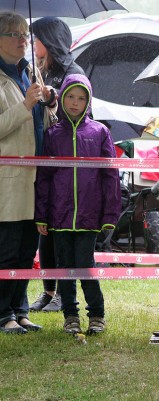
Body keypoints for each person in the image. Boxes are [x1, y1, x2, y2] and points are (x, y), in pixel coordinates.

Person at [34, 74, 120, 334]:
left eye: (81, 98)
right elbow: (44, 176)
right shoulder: (52, 135)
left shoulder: (100, 132)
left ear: (88, 101)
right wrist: (42, 216)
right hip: (59, 216)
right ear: (61, 98)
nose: (75, 102)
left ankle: (97, 314)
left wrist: (109, 214)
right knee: (64, 268)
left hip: (89, 215)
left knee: (84, 265)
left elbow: (110, 176)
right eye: (70, 96)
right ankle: (70, 316)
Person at [0, 11, 53, 334]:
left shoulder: (29, 71)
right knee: (6, 249)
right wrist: (25, 106)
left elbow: (43, 122)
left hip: (36, 177)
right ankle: (2, 313)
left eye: (25, 34)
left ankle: (20, 310)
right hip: (8, 181)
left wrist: (49, 101)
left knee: (26, 250)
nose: (23, 40)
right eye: (15, 34)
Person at [29, 16, 86, 313]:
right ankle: (49, 291)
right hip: (48, 163)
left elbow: (78, 117)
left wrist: (53, 100)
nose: (32, 45)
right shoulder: (41, 70)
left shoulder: (72, 73)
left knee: (65, 232)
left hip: (69, 168)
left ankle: (65, 293)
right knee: (46, 230)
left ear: (49, 40)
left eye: (36, 38)